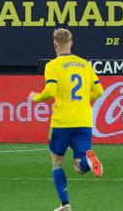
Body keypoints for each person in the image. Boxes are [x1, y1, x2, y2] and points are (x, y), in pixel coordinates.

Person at [28, 29, 104, 211]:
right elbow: (99, 91)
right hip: (84, 120)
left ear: (55, 44)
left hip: (62, 121)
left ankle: (65, 203)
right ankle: (90, 162)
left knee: (57, 162)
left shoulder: (53, 66)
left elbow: (51, 91)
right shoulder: (84, 64)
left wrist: (36, 97)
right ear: (72, 43)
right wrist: (85, 100)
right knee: (79, 166)